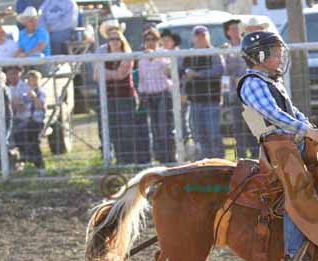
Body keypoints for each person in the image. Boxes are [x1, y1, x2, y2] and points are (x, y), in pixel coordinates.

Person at [238, 31, 318, 261]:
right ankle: (293, 253)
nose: (280, 57)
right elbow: (274, 115)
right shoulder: (253, 83)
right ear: (259, 55)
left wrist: (313, 130)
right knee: (297, 189)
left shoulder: (270, 81)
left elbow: (293, 112)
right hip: (277, 146)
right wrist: (308, 130)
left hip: (291, 142)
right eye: (275, 53)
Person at [93, 27, 143, 165]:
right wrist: (108, 73)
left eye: (116, 39)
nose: (114, 42)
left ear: (121, 41)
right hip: (108, 97)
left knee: (126, 129)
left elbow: (121, 74)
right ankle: (118, 160)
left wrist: (104, 72)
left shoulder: (127, 55)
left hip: (125, 97)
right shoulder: (102, 54)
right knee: (113, 129)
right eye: (111, 39)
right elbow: (96, 76)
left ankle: (129, 160)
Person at [182, 25, 225, 158]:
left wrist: (197, 74)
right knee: (199, 135)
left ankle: (219, 161)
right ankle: (205, 162)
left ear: (208, 37)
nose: (201, 39)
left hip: (211, 100)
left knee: (213, 134)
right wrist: (183, 90)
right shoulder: (188, 54)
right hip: (194, 101)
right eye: (198, 36)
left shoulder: (214, 53)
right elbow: (181, 73)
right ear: (193, 38)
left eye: (203, 36)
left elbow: (219, 70)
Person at [138, 27, 176, 164]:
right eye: (147, 39)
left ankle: (170, 158)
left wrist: (157, 56)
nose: (150, 42)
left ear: (158, 40)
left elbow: (169, 71)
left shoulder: (164, 53)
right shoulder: (141, 57)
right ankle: (160, 158)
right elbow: (142, 78)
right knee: (154, 128)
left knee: (165, 127)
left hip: (163, 94)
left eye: (153, 39)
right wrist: (141, 93)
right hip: (148, 95)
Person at [223, 18, 258, 159]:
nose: (236, 31)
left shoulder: (249, 46)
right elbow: (225, 71)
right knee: (238, 129)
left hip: (251, 95)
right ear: (227, 32)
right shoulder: (225, 50)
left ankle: (257, 157)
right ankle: (242, 160)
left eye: (238, 28)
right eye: (232, 29)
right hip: (235, 95)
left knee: (254, 128)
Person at [15, 70, 46, 170]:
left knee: (31, 139)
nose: (33, 82)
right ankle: (27, 158)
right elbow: (21, 109)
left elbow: (40, 105)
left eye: (35, 80)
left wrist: (33, 96)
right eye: (31, 80)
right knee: (18, 135)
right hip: (25, 121)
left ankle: (38, 163)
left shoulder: (41, 92)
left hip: (37, 121)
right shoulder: (25, 94)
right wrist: (19, 103)